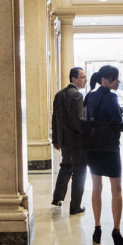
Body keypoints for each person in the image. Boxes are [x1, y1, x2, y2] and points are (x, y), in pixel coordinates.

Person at [84, 65, 123, 245]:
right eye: (115, 79)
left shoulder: (89, 96)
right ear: (105, 80)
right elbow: (118, 124)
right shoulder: (112, 97)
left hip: (93, 148)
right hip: (110, 148)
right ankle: (116, 230)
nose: (118, 81)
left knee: (96, 188)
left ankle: (97, 227)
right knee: (116, 190)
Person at [51, 66, 89, 213]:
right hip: (77, 141)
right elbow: (79, 120)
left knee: (66, 166)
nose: (85, 80)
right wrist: (86, 137)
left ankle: (57, 198)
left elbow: (55, 119)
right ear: (74, 79)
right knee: (79, 172)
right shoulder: (77, 96)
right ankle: (75, 206)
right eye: (83, 77)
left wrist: (56, 139)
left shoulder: (59, 94)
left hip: (64, 140)